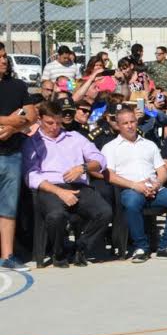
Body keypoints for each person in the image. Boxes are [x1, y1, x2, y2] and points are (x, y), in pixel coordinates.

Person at [22, 100, 112, 267]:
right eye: (49, 123)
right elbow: (31, 175)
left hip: (78, 186)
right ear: (40, 119)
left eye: (58, 122)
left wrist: (83, 167)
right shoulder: (32, 142)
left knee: (104, 212)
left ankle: (80, 247)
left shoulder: (75, 138)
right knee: (56, 216)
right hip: (50, 188)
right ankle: (59, 253)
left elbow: (100, 160)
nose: (54, 127)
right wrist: (59, 192)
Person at [102, 106, 167, 263]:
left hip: (154, 188)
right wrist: (135, 185)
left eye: (132, 122)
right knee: (132, 202)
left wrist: (156, 184)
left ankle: (165, 245)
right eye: (125, 123)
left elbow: (162, 170)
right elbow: (109, 175)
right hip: (130, 189)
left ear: (137, 122)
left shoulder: (149, 144)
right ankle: (141, 247)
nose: (129, 126)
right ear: (118, 125)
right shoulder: (110, 148)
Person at [0, 54, 38, 271]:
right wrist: (9, 120)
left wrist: (12, 129)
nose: (4, 61)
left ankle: (7, 255)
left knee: (7, 207)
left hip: (11, 154)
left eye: (4, 57)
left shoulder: (17, 86)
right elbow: (17, 118)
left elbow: (31, 115)